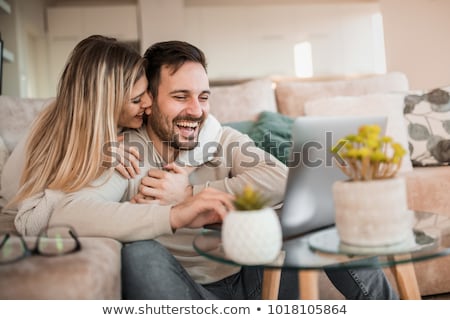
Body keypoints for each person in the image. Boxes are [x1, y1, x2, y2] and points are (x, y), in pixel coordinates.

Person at [39, 40, 397, 299]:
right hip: (184, 292)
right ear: (148, 100)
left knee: (315, 211)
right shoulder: (126, 153)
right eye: (180, 97)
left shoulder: (221, 137)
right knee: (139, 254)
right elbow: (68, 214)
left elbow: (284, 178)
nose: (196, 110)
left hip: (254, 281)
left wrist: (193, 196)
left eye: (204, 96)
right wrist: (177, 214)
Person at [4, 35, 232, 238]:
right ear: (105, 104)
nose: (148, 103)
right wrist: (93, 158)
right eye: (136, 100)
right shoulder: (55, 131)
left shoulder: (120, 128)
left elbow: (211, 125)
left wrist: (180, 172)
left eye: (146, 94)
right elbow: (29, 224)